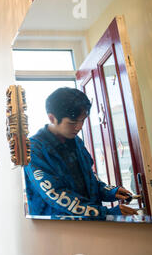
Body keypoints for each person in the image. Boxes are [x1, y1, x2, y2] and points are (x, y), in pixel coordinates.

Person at [24, 87, 137, 218]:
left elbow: (89, 178)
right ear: (52, 118)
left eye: (82, 120)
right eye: (72, 123)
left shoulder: (75, 140)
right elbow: (57, 195)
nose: (79, 127)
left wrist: (110, 192)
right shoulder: (33, 149)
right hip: (56, 230)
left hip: (88, 225)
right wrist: (104, 213)